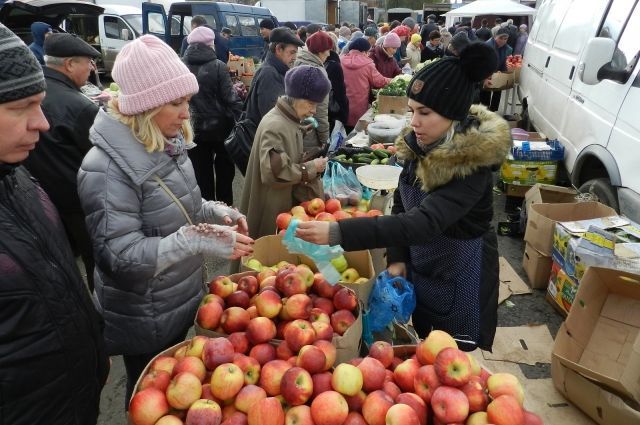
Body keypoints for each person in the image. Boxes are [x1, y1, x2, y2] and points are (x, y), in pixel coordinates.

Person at [77, 34, 254, 408]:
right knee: (149, 397)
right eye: (176, 102)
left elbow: (180, 203)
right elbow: (121, 258)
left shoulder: (164, 141)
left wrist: (215, 211)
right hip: (145, 314)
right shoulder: (106, 170)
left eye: (187, 100)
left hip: (177, 299)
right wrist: (193, 238)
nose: (186, 112)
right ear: (144, 105)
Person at [296, 42, 510, 352]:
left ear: (452, 114)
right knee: (424, 338)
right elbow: (401, 204)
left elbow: (421, 223)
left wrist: (337, 232)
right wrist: (397, 258)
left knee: (451, 352)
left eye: (424, 113)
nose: (414, 122)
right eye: (411, 111)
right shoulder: (418, 146)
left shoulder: (470, 168)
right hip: (424, 263)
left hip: (460, 270)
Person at [0, 23, 109, 424]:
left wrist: (93, 344)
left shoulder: (19, 179)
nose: (42, 123)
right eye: (20, 107)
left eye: (40, 104)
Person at [22, 33, 101, 292]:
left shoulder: (31, 92)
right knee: (95, 262)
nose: (92, 68)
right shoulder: (80, 107)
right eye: (88, 62)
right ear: (69, 64)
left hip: (40, 198)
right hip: (78, 202)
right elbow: (102, 157)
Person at [239, 65, 330, 238]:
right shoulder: (276, 126)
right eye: (311, 103)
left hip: (279, 202)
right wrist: (311, 168)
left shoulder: (287, 119)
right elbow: (275, 173)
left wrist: (300, 131)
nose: (314, 110)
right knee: (264, 255)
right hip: (271, 206)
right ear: (295, 97)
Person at [183, 26, 242, 205]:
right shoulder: (218, 66)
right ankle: (225, 208)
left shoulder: (181, 65)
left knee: (202, 173)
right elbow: (229, 98)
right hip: (221, 128)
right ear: (210, 45)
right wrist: (242, 113)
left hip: (193, 128)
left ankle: (207, 209)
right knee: (225, 172)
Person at [246, 27, 304, 128]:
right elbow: (273, 116)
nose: (295, 57)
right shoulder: (270, 74)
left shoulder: (274, 69)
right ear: (278, 49)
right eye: (292, 52)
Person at [293, 30, 333, 152]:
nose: (329, 54)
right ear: (320, 51)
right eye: (328, 50)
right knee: (307, 166)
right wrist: (325, 138)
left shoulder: (297, 62)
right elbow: (320, 110)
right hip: (310, 130)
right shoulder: (317, 72)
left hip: (294, 128)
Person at [342, 38, 391, 132]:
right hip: (359, 107)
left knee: (343, 133)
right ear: (364, 51)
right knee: (356, 134)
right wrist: (394, 80)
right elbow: (379, 81)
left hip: (343, 106)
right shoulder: (367, 64)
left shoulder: (341, 60)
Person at [480, 28, 512, 112]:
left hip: (498, 72)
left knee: (498, 90)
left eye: (505, 39)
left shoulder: (507, 49)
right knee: (486, 93)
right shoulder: (487, 46)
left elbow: (505, 61)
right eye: (500, 38)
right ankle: (485, 111)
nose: (503, 41)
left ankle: (493, 111)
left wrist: (503, 72)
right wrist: (485, 77)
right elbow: (482, 63)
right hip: (486, 72)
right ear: (495, 37)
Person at [324, 32, 349, 132]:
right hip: (332, 114)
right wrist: (344, 116)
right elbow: (339, 92)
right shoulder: (334, 66)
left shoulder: (316, 62)